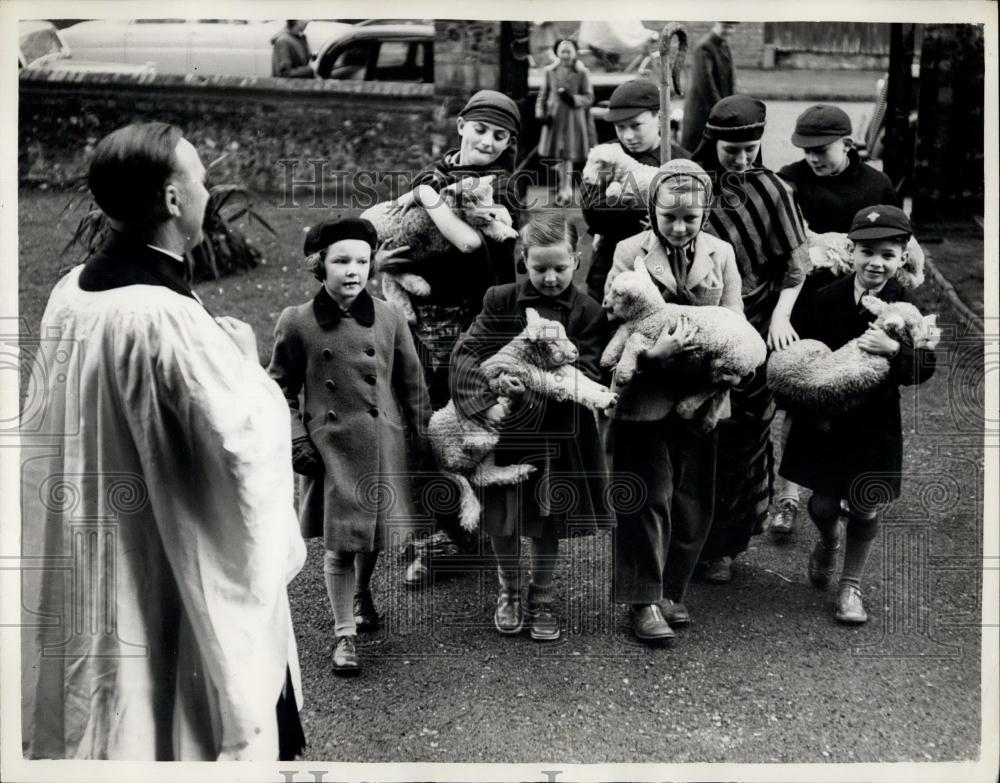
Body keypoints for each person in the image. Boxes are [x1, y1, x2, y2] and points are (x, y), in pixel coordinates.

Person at [21, 122, 306, 760]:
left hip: (99, 537)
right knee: (183, 706)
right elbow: (237, 454)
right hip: (167, 553)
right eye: (200, 178)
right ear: (173, 202)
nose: (208, 190)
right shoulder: (161, 317)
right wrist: (250, 369)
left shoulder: (73, 291)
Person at [268, 218, 430, 676]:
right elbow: (277, 388)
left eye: (362, 260)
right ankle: (345, 636)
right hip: (331, 449)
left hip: (382, 444)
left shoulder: (390, 315)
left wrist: (426, 436)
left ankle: (362, 592)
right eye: (341, 260)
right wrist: (298, 439)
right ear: (320, 266)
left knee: (373, 535)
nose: (353, 270)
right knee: (340, 544)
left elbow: (412, 382)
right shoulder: (297, 322)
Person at [449, 212, 612, 640]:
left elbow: (591, 370)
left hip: (558, 435)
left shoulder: (589, 311)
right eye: (539, 268)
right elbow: (467, 353)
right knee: (503, 519)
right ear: (523, 259)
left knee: (545, 523)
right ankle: (509, 590)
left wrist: (543, 384)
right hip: (506, 434)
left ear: (577, 259)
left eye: (560, 267)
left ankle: (542, 596)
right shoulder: (500, 300)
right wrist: (486, 397)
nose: (551, 277)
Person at [388, 90, 525, 587]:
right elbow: (403, 240)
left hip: (473, 323)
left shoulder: (503, 193)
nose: (487, 141)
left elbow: (496, 266)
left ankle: (479, 534)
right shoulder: (430, 176)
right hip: (419, 322)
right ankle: (434, 536)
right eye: (481, 129)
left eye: (500, 135)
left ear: (509, 142)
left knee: (470, 427)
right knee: (422, 427)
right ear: (461, 125)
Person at [604, 159, 743, 643]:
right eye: (669, 218)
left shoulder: (721, 254)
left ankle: (671, 589)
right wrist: (653, 357)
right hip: (645, 392)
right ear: (652, 211)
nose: (680, 227)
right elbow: (614, 316)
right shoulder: (628, 252)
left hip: (702, 394)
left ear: (705, 212)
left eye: (691, 217)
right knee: (648, 495)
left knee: (692, 499)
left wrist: (723, 366)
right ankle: (642, 600)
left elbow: (735, 321)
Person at [778, 205, 936, 623]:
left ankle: (851, 586)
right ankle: (828, 540)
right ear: (850, 251)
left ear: (903, 257)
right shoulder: (824, 298)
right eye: (867, 251)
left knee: (865, 505)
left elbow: (926, 366)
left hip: (874, 424)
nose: (876, 262)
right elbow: (805, 355)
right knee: (825, 505)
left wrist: (896, 352)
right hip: (827, 422)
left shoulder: (906, 307)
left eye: (888, 253)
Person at [689, 95, 810, 583]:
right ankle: (686, 540)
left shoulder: (774, 191)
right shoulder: (687, 186)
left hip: (755, 330)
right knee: (697, 433)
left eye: (750, 150)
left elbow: (795, 268)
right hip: (696, 331)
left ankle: (726, 545)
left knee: (743, 434)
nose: (741, 160)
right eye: (730, 151)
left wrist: (780, 318)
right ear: (713, 142)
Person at [769, 105, 900, 538]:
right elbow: (782, 240)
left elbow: (894, 242)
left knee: (851, 389)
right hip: (804, 298)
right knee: (799, 392)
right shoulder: (791, 178)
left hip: (857, 299)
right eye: (805, 151)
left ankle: (843, 487)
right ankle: (786, 498)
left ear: (847, 143)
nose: (812, 159)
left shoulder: (875, 185)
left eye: (821, 151)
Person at [581, 79, 690, 303]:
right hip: (609, 264)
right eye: (620, 127)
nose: (628, 136)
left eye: (636, 125)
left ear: (659, 117)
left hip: (662, 271)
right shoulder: (606, 155)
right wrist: (651, 207)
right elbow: (594, 213)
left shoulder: (682, 161)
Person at [535, 38, 597, 207]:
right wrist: (541, 114)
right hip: (554, 119)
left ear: (575, 53)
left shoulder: (582, 73)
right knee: (559, 155)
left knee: (567, 155)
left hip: (572, 121)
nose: (565, 55)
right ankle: (562, 185)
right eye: (562, 51)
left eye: (569, 51)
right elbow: (543, 95)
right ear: (557, 53)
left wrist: (573, 98)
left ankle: (565, 189)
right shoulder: (550, 71)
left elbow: (589, 98)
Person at [680, 22, 737, 153]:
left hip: (716, 108)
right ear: (716, 24)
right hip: (702, 110)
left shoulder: (724, 44)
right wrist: (721, 110)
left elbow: (730, 77)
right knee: (695, 151)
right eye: (726, 26)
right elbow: (706, 83)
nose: (729, 30)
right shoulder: (705, 47)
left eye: (732, 27)